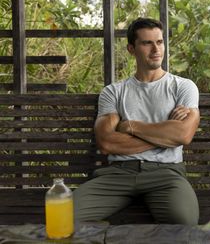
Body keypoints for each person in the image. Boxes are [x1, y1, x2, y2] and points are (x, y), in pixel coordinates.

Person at [74, 18, 200, 225]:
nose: (155, 49)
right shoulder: (113, 92)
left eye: (159, 42)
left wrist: (130, 126)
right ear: (131, 49)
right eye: (147, 43)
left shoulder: (183, 87)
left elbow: (183, 135)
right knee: (64, 217)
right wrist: (165, 136)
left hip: (166, 175)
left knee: (185, 223)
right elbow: (107, 143)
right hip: (118, 174)